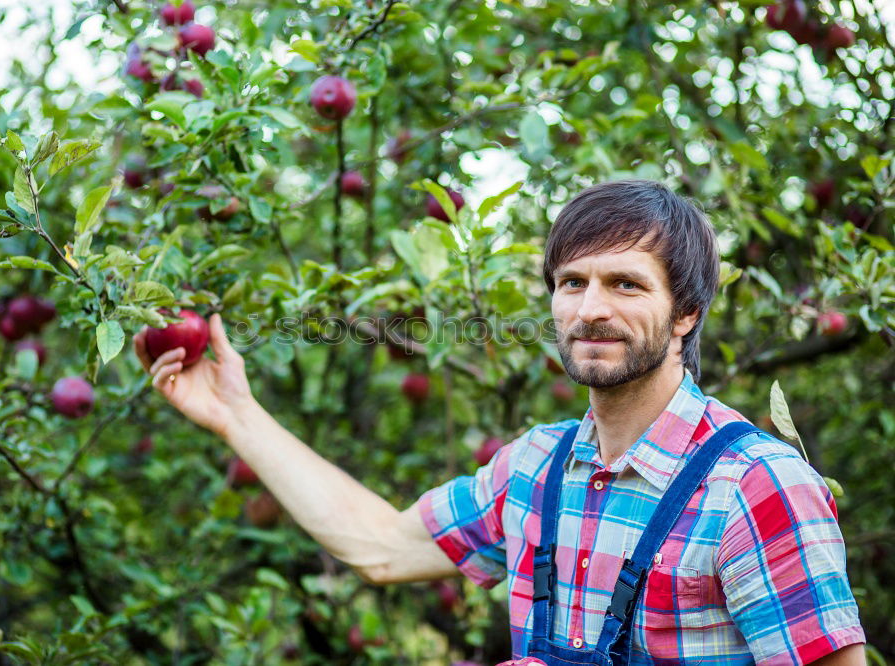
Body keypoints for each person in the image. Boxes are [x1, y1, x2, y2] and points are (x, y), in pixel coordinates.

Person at [133, 179, 866, 664]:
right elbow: (383, 546)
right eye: (572, 283)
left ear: (686, 314)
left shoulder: (755, 488)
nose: (590, 309)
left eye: (625, 284)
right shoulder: (535, 470)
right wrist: (236, 412)